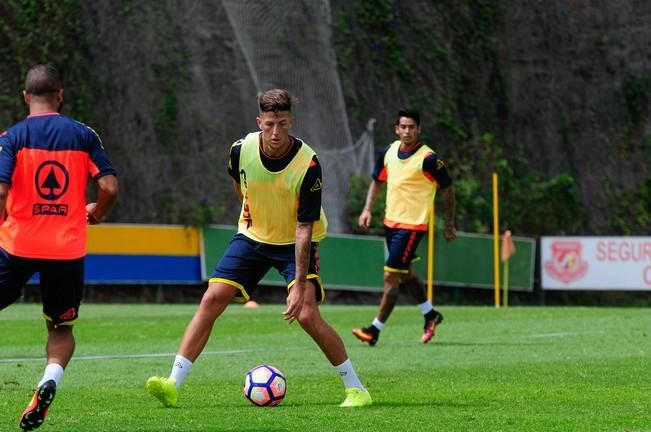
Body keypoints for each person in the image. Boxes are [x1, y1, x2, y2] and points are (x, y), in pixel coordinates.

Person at [147, 89, 372, 408]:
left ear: (291, 121)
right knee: (211, 298)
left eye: (282, 123)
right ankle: (172, 383)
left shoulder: (308, 165)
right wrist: (253, 214)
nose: (276, 132)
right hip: (252, 237)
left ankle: (356, 389)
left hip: (295, 241)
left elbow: (304, 228)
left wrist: (299, 286)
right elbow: (240, 187)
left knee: (307, 314)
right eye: (269, 124)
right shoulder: (240, 150)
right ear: (259, 122)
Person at [0, 64, 119, 431]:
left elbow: (1, 190)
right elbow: (110, 187)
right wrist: (97, 213)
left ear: (25, 96)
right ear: (60, 94)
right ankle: (50, 378)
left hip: (17, 243)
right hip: (66, 250)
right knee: (61, 329)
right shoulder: (84, 136)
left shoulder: (11, 137)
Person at [352, 109, 456, 346]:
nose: (407, 131)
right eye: (403, 127)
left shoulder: (429, 159)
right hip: (391, 223)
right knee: (406, 274)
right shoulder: (387, 152)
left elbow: (448, 189)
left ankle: (374, 330)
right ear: (396, 129)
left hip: (413, 226)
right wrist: (367, 208)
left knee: (391, 276)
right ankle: (431, 315)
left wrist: (449, 223)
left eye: (412, 127)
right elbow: (377, 182)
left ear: (419, 129)